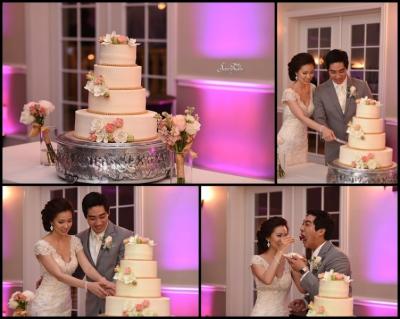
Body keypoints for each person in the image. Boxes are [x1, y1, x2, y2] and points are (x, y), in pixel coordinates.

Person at [29, 198, 115, 316]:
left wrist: (103, 281)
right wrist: (87, 285)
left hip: (65, 304)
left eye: (69, 221)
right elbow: (59, 275)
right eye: (61, 222)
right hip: (45, 304)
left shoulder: (74, 241)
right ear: (51, 222)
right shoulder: (41, 246)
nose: (66, 226)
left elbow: (87, 268)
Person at [73, 192, 133, 316]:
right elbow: (76, 272)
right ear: (86, 217)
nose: (98, 222)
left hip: (117, 303)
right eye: (92, 218)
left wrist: (112, 288)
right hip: (92, 306)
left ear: (108, 212)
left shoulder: (125, 236)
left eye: (102, 216)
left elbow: (125, 269)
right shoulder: (79, 239)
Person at [286, 210, 351, 315]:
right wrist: (305, 301)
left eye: (307, 224)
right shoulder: (316, 255)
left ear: (321, 231)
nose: (301, 228)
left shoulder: (338, 258)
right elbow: (317, 287)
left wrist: (303, 269)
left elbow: (330, 295)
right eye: (303, 224)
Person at [313, 49, 372, 163]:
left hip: (359, 145)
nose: (338, 76)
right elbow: (319, 117)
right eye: (333, 72)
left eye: (341, 71)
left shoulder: (361, 86)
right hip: (333, 146)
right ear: (327, 71)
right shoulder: (320, 90)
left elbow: (370, 112)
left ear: (347, 68)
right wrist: (324, 130)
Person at [278, 52, 336, 167]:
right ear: (296, 72)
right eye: (304, 73)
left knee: (300, 172)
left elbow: (318, 110)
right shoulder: (289, 93)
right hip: (287, 140)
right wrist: (322, 128)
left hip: (302, 140)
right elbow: (302, 117)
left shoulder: (312, 88)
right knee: (282, 174)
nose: (309, 76)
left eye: (311, 72)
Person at [250, 217, 295, 316]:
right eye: (279, 235)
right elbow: (267, 279)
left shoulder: (289, 260)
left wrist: (302, 267)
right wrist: (280, 251)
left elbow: (302, 289)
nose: (283, 239)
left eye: (285, 235)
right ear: (268, 237)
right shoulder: (256, 260)